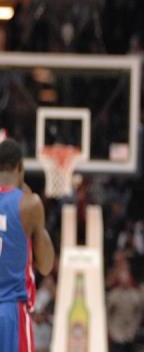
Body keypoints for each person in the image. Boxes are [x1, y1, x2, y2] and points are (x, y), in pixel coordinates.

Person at [0, 138, 55, 351]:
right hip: (11, 311)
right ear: (20, 167)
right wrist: (37, 223)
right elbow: (46, 265)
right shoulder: (29, 204)